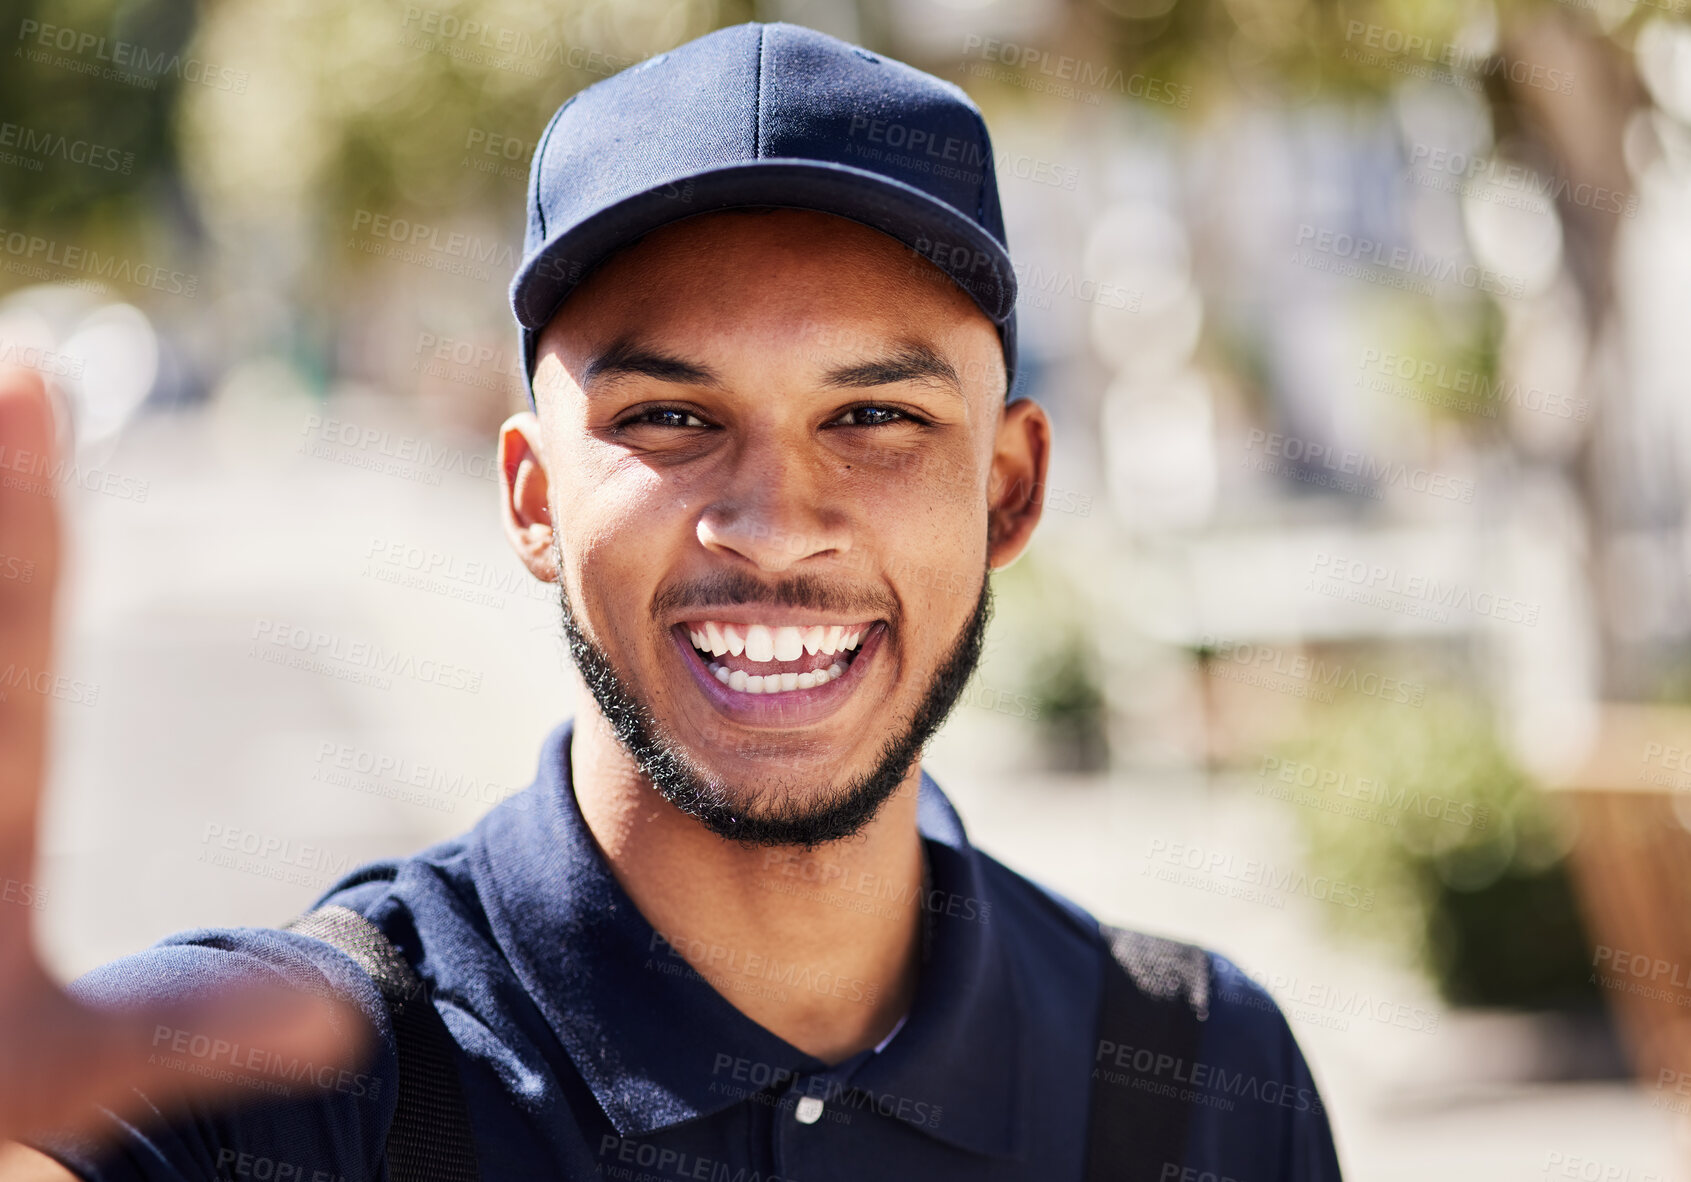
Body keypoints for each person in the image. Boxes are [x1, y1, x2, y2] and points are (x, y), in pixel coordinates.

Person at [0, 22, 1343, 1181]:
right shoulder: (282, 1088)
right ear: (531, 498)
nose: (772, 526)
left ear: (1006, 488)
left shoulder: (1202, 1079)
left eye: (874, 414)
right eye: (672, 416)